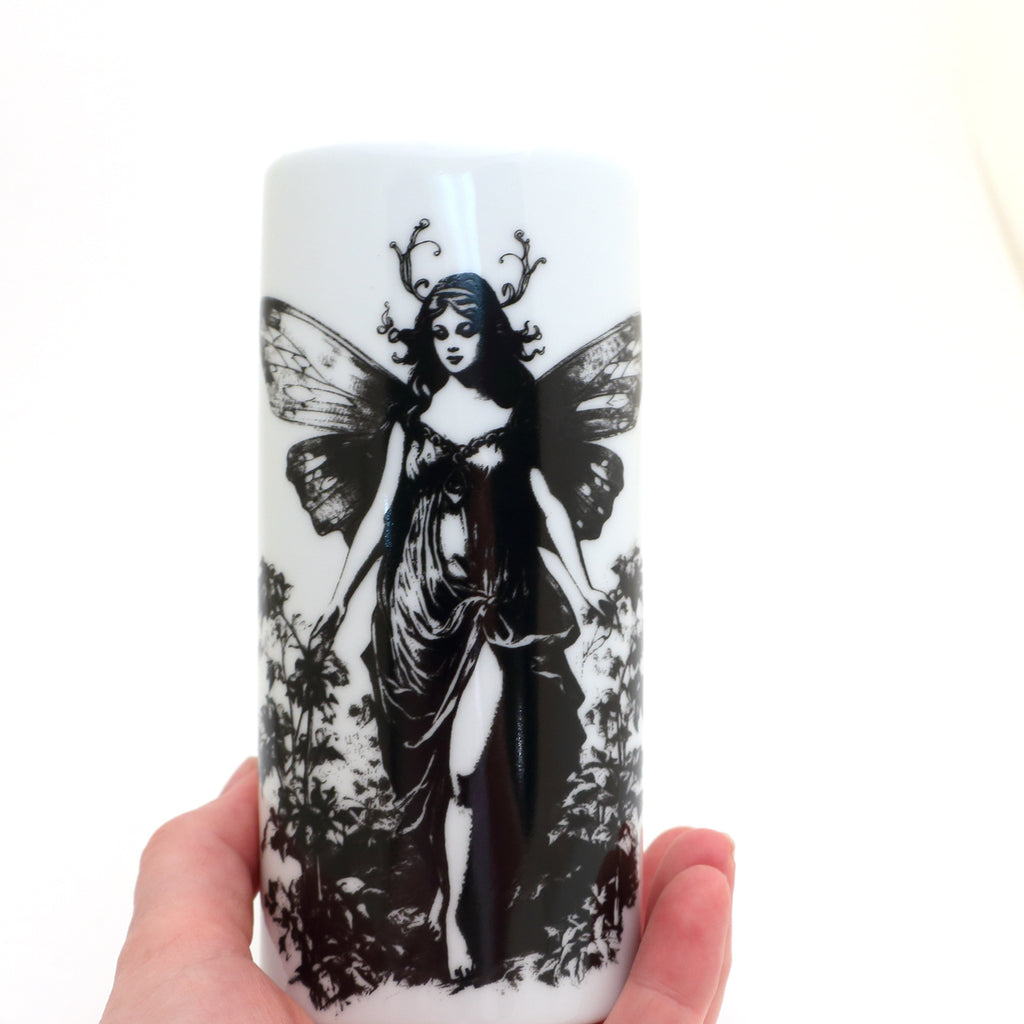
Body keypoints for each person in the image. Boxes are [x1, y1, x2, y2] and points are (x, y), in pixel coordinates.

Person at [328, 271, 615, 979]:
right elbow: (380, 514)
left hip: (493, 603)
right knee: (423, 773)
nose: (452, 343)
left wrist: (584, 587)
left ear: (490, 334)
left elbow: (547, 507)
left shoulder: (515, 417)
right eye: (440, 331)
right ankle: (439, 908)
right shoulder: (409, 421)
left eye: (466, 329)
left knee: (467, 767)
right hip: (417, 612)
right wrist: (337, 597)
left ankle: (464, 925)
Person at [99, 758, 735, 1024]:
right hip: (420, 631)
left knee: (476, 782)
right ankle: (451, 914)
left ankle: (470, 920)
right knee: (439, 791)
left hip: (488, 631)